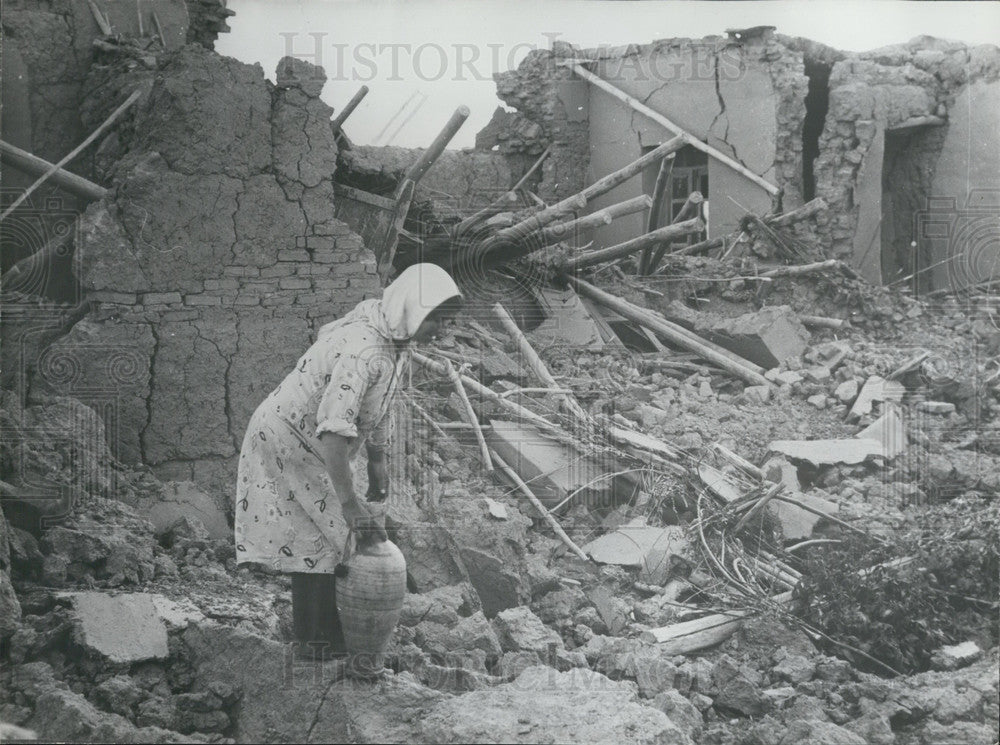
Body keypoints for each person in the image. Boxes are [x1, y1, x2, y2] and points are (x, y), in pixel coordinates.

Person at [234, 262, 463, 658]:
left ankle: (331, 631)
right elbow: (335, 430)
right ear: (413, 309)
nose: (441, 332)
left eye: (447, 322)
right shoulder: (363, 349)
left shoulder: (396, 341)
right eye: (436, 320)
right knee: (328, 532)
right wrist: (349, 502)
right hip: (290, 438)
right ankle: (316, 641)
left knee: (332, 533)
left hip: (316, 439)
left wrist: (377, 465)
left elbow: (379, 407)